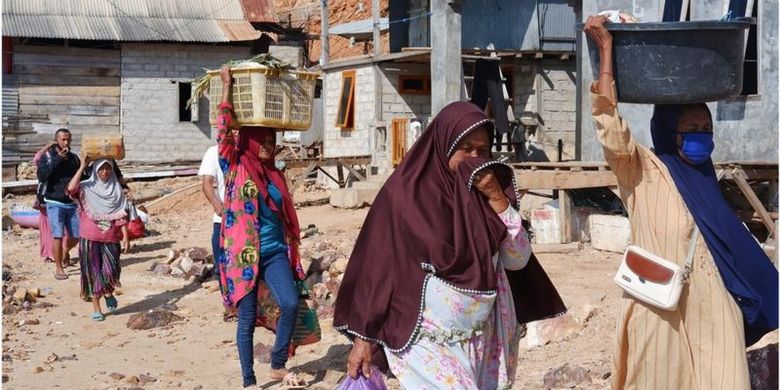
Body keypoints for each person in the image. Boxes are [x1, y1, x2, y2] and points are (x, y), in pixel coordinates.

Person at [584, 15, 778, 390]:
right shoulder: (643, 170)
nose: (700, 138)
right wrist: (607, 51)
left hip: (714, 310)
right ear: (668, 133)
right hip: (658, 308)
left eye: (706, 130)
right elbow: (610, 127)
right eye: (690, 130)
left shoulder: (706, 183)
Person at [334, 101, 566, 389]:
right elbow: (377, 268)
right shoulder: (405, 196)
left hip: (484, 338)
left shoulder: (487, 195)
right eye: (465, 148)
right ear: (444, 144)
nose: (474, 157)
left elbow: (517, 259)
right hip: (425, 340)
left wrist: (496, 199)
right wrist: (364, 339)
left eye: (482, 150)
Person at [216, 66, 308, 388]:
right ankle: (248, 380)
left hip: (274, 252)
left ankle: (278, 363)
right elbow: (224, 132)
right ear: (251, 141)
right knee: (246, 320)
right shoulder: (236, 164)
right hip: (243, 256)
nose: (268, 146)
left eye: (272, 141)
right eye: (263, 141)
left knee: (291, 302)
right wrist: (227, 87)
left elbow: (284, 214)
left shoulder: (275, 174)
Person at [66, 157, 130, 321]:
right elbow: (71, 188)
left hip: (111, 238)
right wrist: (82, 166)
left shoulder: (117, 190)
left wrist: (126, 237)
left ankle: (108, 292)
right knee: (93, 273)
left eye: (108, 169)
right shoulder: (86, 188)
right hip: (89, 238)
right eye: (101, 169)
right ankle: (97, 308)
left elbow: (121, 215)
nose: (105, 172)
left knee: (111, 270)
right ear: (95, 170)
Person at [198, 141, 237, 322]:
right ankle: (229, 306)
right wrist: (216, 204)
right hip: (222, 221)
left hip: (247, 220)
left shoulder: (247, 152)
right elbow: (207, 182)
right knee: (223, 266)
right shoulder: (215, 152)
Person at [36, 129, 81, 280]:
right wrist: (57, 160)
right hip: (54, 201)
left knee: (76, 236)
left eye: (68, 140)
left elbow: (82, 176)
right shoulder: (48, 156)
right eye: (63, 140)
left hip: (71, 202)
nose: (66, 143)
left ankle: (64, 252)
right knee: (58, 235)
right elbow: (42, 176)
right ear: (56, 140)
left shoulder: (74, 158)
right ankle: (59, 268)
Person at [33, 141, 70, 263]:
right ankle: (49, 254)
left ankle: (64, 253)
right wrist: (48, 146)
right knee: (47, 228)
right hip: (45, 198)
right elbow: (37, 158)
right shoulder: (47, 159)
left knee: (63, 229)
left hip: (62, 199)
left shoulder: (68, 160)